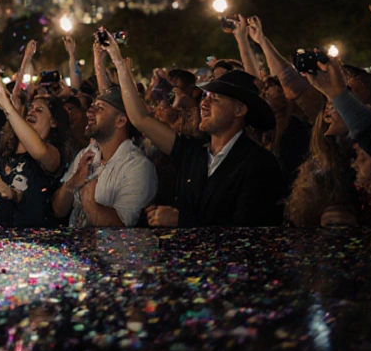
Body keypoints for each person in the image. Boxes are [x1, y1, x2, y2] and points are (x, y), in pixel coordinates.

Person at [106, 31, 284, 227]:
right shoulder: (193, 153)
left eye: (215, 98)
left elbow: (246, 232)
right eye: (205, 96)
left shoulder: (259, 164)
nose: (204, 103)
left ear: (240, 109)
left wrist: (180, 220)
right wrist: (119, 62)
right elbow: (140, 119)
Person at [0, 64, 69, 228]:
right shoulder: (6, 145)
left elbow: (39, 151)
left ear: (53, 122)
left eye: (39, 110)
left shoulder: (53, 153)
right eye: (31, 108)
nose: (31, 111)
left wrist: (15, 195)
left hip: (25, 243)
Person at [52, 87, 157, 228]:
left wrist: (89, 201)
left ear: (120, 121)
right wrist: (72, 183)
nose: (89, 111)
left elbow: (122, 230)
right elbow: (58, 211)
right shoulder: (87, 154)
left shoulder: (137, 167)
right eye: (92, 106)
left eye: (100, 108)